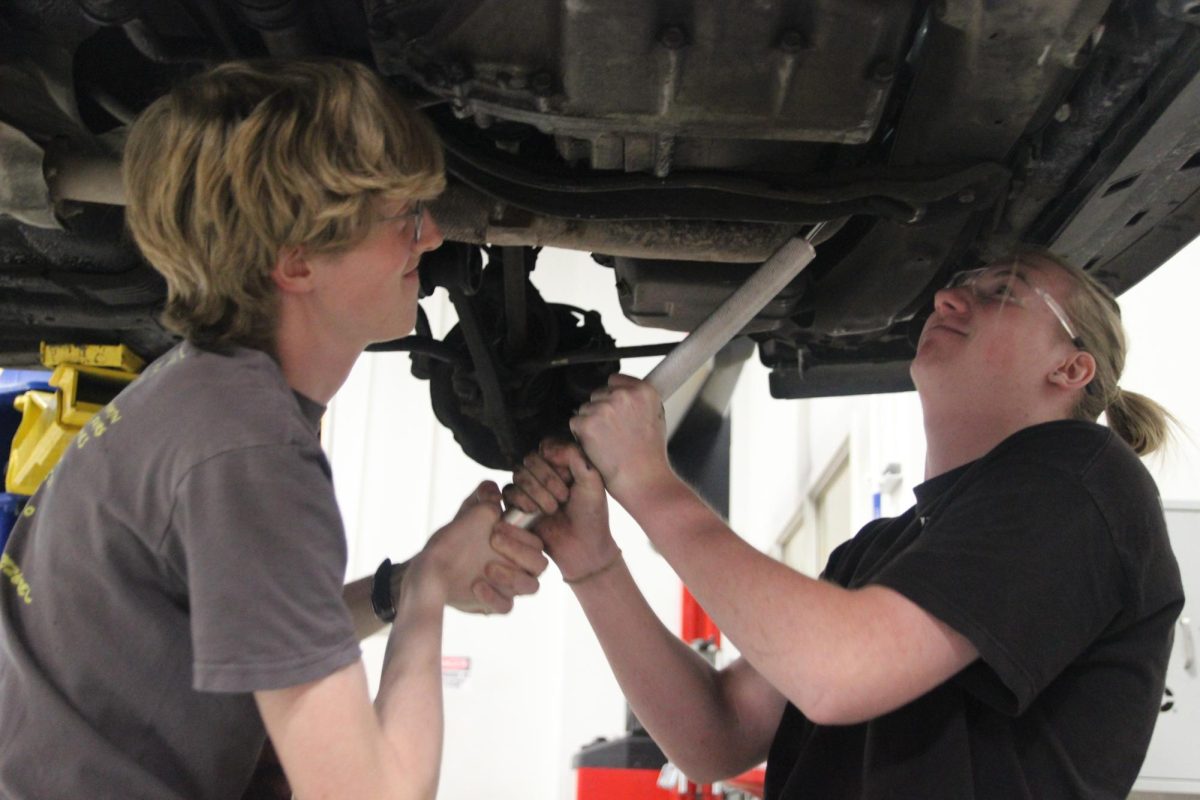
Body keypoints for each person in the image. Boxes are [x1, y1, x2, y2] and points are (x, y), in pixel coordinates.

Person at [0, 59, 548, 800]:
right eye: (404, 220)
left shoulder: (201, 401)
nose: (429, 239)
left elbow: (250, 632)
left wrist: (399, 586)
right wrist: (427, 595)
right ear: (297, 263)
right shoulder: (248, 453)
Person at [505, 250, 1185, 798]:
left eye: (1003, 292)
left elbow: (839, 674)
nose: (948, 299)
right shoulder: (884, 549)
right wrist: (593, 563)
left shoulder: (1081, 478)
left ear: (1069, 366)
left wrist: (649, 482)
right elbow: (716, 735)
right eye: (958, 287)